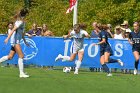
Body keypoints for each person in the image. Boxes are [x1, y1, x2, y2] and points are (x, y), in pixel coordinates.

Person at [0, 8, 29, 78]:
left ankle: (22, 72)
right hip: (15, 42)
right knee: (21, 56)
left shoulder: (22, 22)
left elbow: (21, 33)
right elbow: (13, 30)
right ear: (25, 15)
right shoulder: (20, 22)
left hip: (16, 41)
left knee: (10, 57)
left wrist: (25, 41)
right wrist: (7, 38)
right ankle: (21, 73)